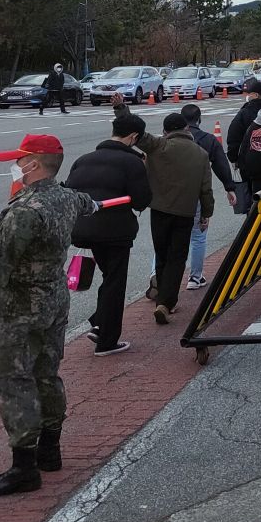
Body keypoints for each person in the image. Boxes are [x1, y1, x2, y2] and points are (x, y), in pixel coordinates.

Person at [0, 134, 98, 496]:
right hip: (55, 301)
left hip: (22, 308)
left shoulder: (25, 211)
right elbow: (88, 203)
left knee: (14, 381)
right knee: (47, 373)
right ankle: (50, 449)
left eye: (21, 160)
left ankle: (24, 467)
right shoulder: (66, 197)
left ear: (33, 164)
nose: (16, 166)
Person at [67, 113, 153, 356]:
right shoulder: (132, 163)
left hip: (83, 227)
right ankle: (107, 339)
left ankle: (99, 321)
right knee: (115, 280)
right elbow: (142, 200)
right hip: (116, 231)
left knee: (108, 276)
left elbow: (70, 192)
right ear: (134, 136)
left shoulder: (83, 160)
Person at [127, 109, 214, 325]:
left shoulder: (159, 145)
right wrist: (206, 213)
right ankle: (167, 302)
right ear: (186, 128)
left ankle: (162, 298)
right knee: (177, 257)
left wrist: (121, 110)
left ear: (165, 131)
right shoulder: (201, 154)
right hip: (185, 212)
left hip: (159, 210)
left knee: (162, 254)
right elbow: (206, 189)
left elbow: (137, 132)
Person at [180, 103, 236, 291]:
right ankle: (195, 277)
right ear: (199, 119)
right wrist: (230, 187)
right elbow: (220, 164)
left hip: (170, 197)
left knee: (169, 237)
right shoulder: (208, 140)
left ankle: (157, 274)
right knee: (198, 236)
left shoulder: (167, 140)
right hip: (195, 196)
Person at [225, 78, 261, 212]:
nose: (247, 96)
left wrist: (233, 158)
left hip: (249, 163)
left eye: (249, 93)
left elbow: (234, 137)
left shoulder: (245, 113)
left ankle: (254, 223)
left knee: (252, 195)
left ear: (255, 95)